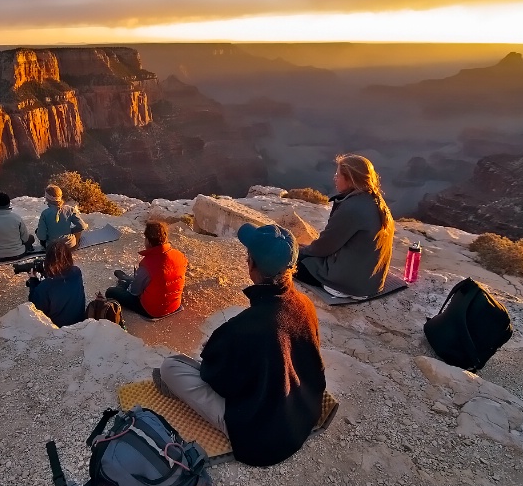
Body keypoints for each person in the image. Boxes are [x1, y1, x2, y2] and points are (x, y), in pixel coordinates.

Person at [154, 223, 328, 467]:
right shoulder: (304, 304)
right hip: (304, 410)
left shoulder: (243, 327)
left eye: (249, 257)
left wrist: (220, 350)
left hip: (261, 435)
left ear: (252, 266)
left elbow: (217, 380)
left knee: (171, 367)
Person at [296, 154, 395, 300]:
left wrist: (302, 252)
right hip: (371, 282)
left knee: (288, 261)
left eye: (338, 175)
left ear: (351, 179)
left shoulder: (352, 208)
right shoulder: (376, 201)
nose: (334, 178)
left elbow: (325, 246)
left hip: (346, 284)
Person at [106, 221, 187, 319]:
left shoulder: (147, 264)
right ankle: (126, 279)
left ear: (148, 241)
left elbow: (135, 292)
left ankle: (124, 282)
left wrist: (128, 287)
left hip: (153, 310)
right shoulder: (180, 255)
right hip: (174, 305)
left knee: (111, 291)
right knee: (143, 280)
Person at [25, 241, 86, 328]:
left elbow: (35, 307)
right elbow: (61, 285)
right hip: (79, 321)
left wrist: (33, 280)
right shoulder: (76, 272)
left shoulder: (45, 287)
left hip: (58, 328)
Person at [0, 192, 35, 261]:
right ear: (9, 204)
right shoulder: (16, 218)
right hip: (19, 254)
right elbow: (25, 238)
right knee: (31, 237)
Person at [36, 184, 88, 250]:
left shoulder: (45, 214)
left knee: (38, 231)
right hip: (69, 245)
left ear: (47, 199)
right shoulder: (70, 209)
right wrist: (71, 231)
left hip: (53, 248)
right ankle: (75, 246)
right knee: (78, 232)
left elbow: (41, 237)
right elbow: (82, 226)